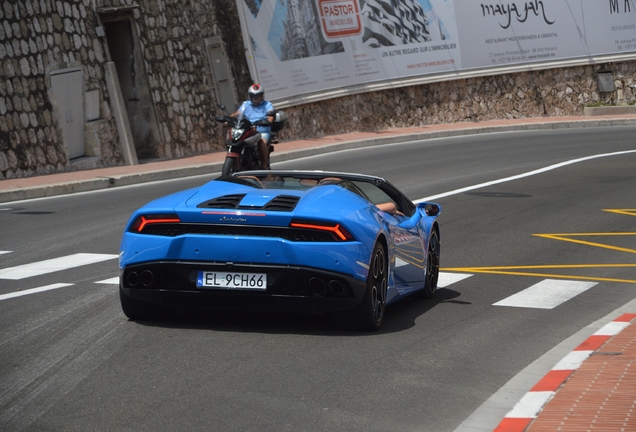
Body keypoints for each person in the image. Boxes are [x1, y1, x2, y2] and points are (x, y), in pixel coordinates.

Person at [232, 84, 275, 169]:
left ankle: (264, 166)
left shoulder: (267, 104)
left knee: (261, 142)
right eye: (253, 96)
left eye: (258, 96)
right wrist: (229, 117)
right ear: (250, 96)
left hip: (261, 131)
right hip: (248, 130)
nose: (255, 98)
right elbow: (237, 113)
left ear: (262, 96)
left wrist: (268, 121)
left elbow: (271, 115)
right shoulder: (246, 104)